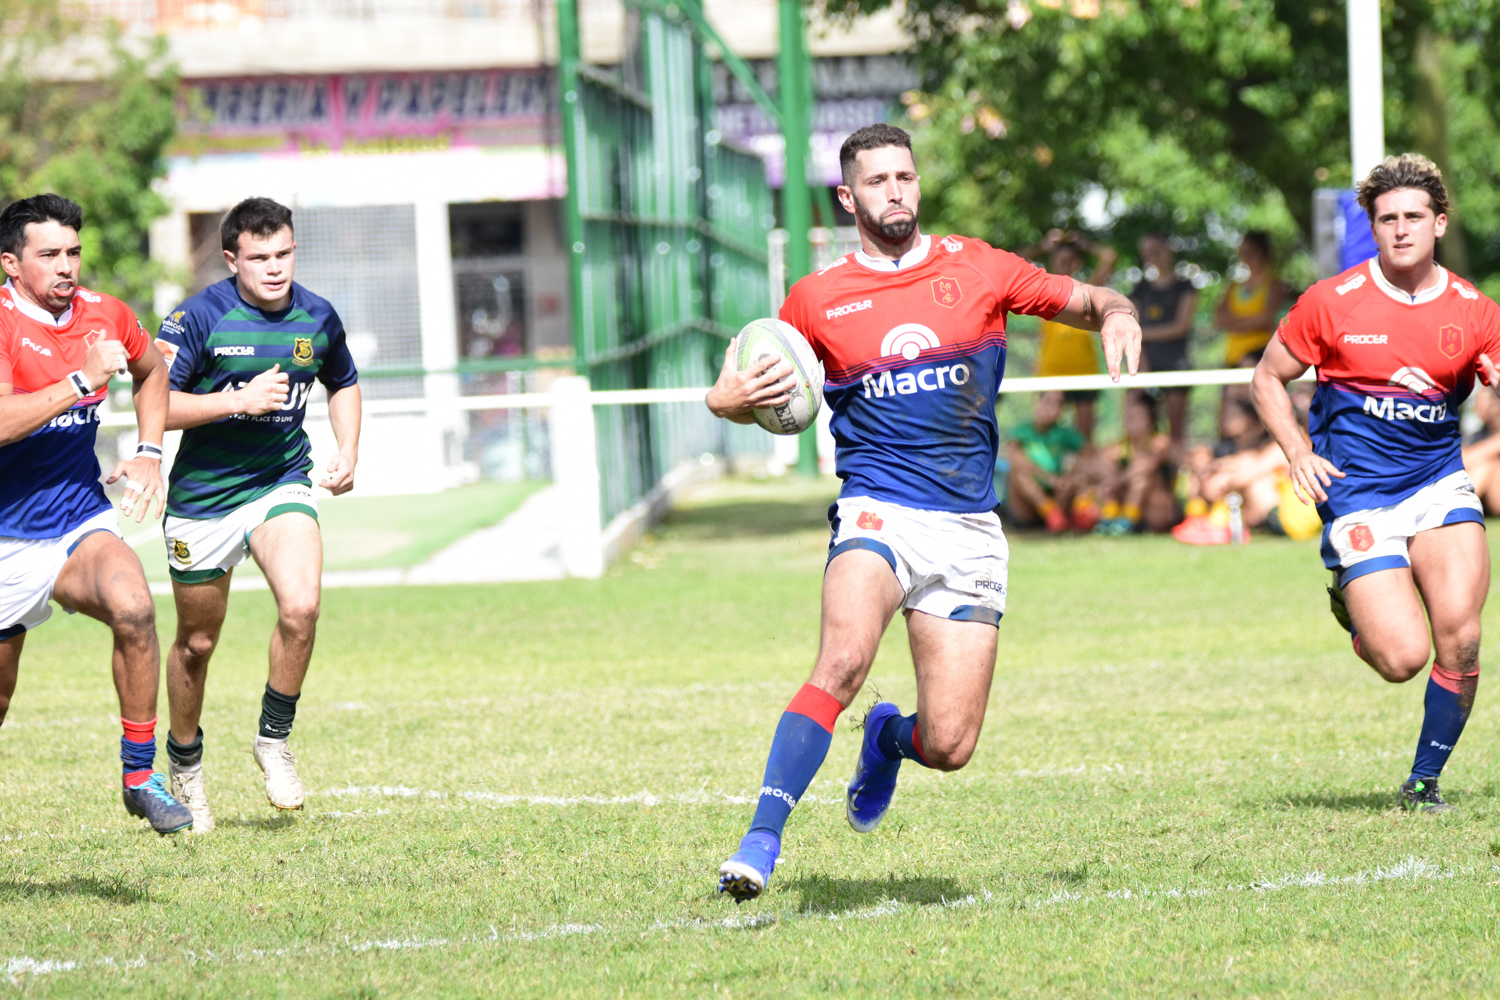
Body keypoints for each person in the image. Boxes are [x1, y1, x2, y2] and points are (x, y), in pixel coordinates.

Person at [704, 123, 1142, 901]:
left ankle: (887, 740)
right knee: (843, 661)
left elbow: (1091, 299)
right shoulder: (815, 299)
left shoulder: (980, 267)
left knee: (949, 744)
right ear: (849, 198)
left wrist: (1118, 314)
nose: (895, 191)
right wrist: (725, 401)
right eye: (877, 181)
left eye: (904, 176)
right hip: (877, 511)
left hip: (968, 526)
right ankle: (760, 842)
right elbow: (758, 386)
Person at [1251, 153, 1500, 812]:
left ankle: (1423, 784)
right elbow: (1266, 377)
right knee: (1401, 658)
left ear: (1439, 223)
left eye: (1414, 216)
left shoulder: (1476, 311)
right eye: (1387, 218)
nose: (1401, 228)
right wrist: (1296, 450)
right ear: (1373, 226)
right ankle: (1353, 607)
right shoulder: (1330, 302)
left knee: (1462, 637)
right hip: (1359, 494)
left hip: (1439, 483)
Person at [155, 198, 362, 831]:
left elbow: (343, 381)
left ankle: (273, 740)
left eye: (284, 254)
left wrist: (348, 449)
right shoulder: (196, 317)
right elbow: (155, 404)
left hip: (280, 480)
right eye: (259, 257)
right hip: (203, 499)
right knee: (197, 644)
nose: (275, 268)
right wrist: (236, 401)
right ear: (231, 259)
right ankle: (185, 765)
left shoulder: (318, 316)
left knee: (301, 608)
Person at [0, 194, 193, 834]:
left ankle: (140, 778)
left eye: (73, 252)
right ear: (11, 263)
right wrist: (79, 384)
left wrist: (149, 452)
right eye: (49, 254)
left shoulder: (105, 313)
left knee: (134, 608)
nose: (66, 266)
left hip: (77, 520)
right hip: (4, 536)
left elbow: (152, 371)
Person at [1027, 229, 1117, 442]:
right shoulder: (1041, 290)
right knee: (1044, 436)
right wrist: (1041, 247)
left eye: (1069, 261)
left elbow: (1109, 257)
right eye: (1060, 261)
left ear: (1077, 263)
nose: (1064, 265)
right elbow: (1009, 262)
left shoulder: (1088, 291)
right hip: (1051, 374)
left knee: (1085, 440)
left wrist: (1086, 245)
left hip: (1083, 371)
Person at [1130, 233, 1196, 453]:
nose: (1152, 256)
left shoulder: (1185, 287)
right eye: (1147, 252)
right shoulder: (1140, 289)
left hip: (1175, 366)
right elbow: (1132, 324)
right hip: (1144, 367)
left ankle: (1177, 472)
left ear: (1169, 250)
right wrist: (1141, 361)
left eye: (1156, 250)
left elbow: (1180, 327)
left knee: (1177, 432)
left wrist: (1143, 334)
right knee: (1139, 430)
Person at [1092, 392, 1178, 535]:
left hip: (1157, 511)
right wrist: (1109, 479)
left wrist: (1119, 480)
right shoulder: (1120, 446)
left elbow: (1147, 464)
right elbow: (1097, 461)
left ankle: (1128, 520)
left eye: (1137, 416)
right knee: (1107, 471)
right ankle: (1111, 515)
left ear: (1150, 420)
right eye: (1128, 416)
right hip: (1128, 504)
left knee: (1141, 479)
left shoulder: (1159, 441)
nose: (1130, 420)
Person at [1006, 390, 1087, 533]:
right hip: (1027, 504)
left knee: (1078, 478)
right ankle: (1050, 511)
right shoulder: (1022, 431)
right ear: (1037, 402)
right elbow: (1013, 456)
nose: (1052, 409)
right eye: (1048, 402)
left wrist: (1071, 475)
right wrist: (1048, 478)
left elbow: (1090, 454)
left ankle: (1069, 515)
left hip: (1056, 495)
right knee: (1020, 474)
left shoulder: (1064, 434)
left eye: (1058, 404)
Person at [1215, 231, 1287, 369]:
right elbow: (1219, 318)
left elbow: (1266, 319)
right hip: (1233, 356)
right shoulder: (1234, 286)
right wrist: (1253, 321)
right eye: (1243, 252)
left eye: (1251, 252)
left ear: (1264, 253)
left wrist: (1234, 323)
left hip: (1261, 355)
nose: (1246, 257)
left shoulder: (1274, 284)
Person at [1461, 388, 1500, 515]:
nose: (1475, 406)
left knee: (1488, 465)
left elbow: (1467, 457)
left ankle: (1460, 505)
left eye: (1480, 401)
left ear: (1495, 405)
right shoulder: (1479, 434)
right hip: (1488, 497)